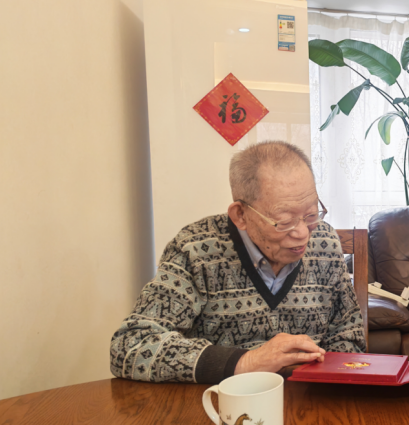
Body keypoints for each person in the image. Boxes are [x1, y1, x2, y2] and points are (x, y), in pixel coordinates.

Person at [111, 141, 365, 384]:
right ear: (240, 215)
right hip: (220, 402)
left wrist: (325, 380)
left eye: (311, 214)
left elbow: (348, 335)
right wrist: (246, 362)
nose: (302, 233)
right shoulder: (195, 250)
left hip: (307, 397)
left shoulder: (324, 241)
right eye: (284, 221)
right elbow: (130, 346)